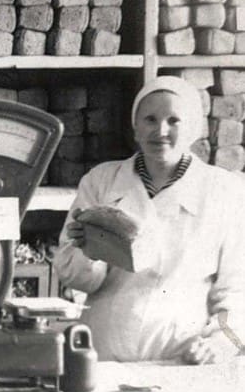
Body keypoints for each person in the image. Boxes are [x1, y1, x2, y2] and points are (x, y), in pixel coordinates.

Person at [54, 76, 245, 364]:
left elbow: (237, 290)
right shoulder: (101, 181)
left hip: (182, 358)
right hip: (104, 353)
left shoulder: (225, 191)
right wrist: (90, 252)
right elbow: (75, 279)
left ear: (194, 128)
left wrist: (220, 342)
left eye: (174, 120)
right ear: (135, 127)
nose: (161, 131)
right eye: (150, 119)